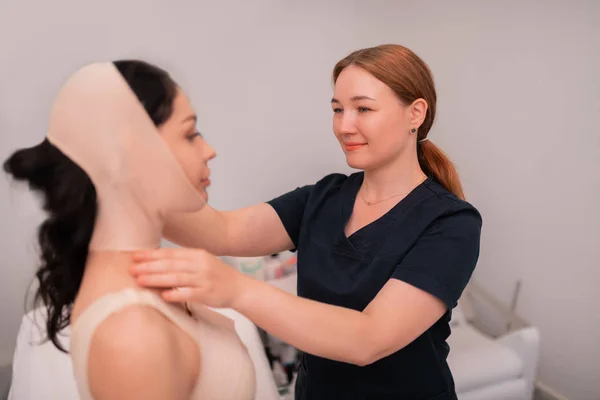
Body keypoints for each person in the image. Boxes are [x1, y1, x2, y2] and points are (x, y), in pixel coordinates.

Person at [131, 44, 482, 399]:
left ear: (415, 114)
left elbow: (369, 339)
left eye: (363, 108)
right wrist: (128, 190)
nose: (345, 125)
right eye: (337, 109)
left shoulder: (451, 223)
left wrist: (234, 289)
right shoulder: (323, 198)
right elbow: (223, 231)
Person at [3, 60, 256, 400]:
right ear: (133, 151)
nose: (209, 150)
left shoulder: (144, 280)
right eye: (190, 133)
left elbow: (229, 230)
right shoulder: (131, 333)